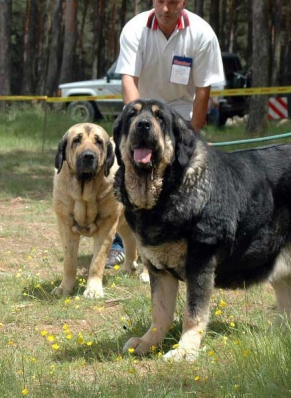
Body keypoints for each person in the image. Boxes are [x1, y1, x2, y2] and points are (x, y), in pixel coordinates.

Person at [105, 0, 225, 269]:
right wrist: (138, 123)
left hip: (180, 116)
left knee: (184, 180)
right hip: (140, 111)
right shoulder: (134, 29)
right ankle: (118, 244)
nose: (166, 9)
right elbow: (129, 80)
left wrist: (192, 137)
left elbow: (203, 90)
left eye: (173, 2)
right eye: (160, 1)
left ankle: (179, 240)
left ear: (184, 2)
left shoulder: (202, 33)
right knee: (122, 175)